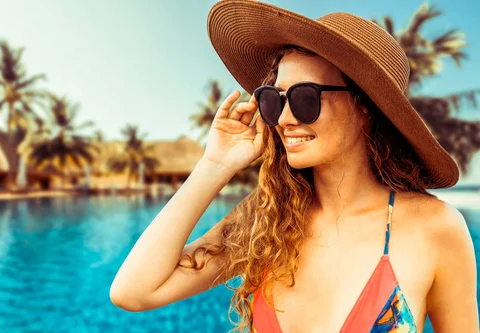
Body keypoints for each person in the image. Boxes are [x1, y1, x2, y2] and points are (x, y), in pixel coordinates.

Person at [110, 1, 479, 332]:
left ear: (366, 107)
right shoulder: (267, 219)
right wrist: (214, 165)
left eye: (305, 98)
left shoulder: (434, 229)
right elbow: (134, 291)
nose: (284, 118)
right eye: (273, 99)